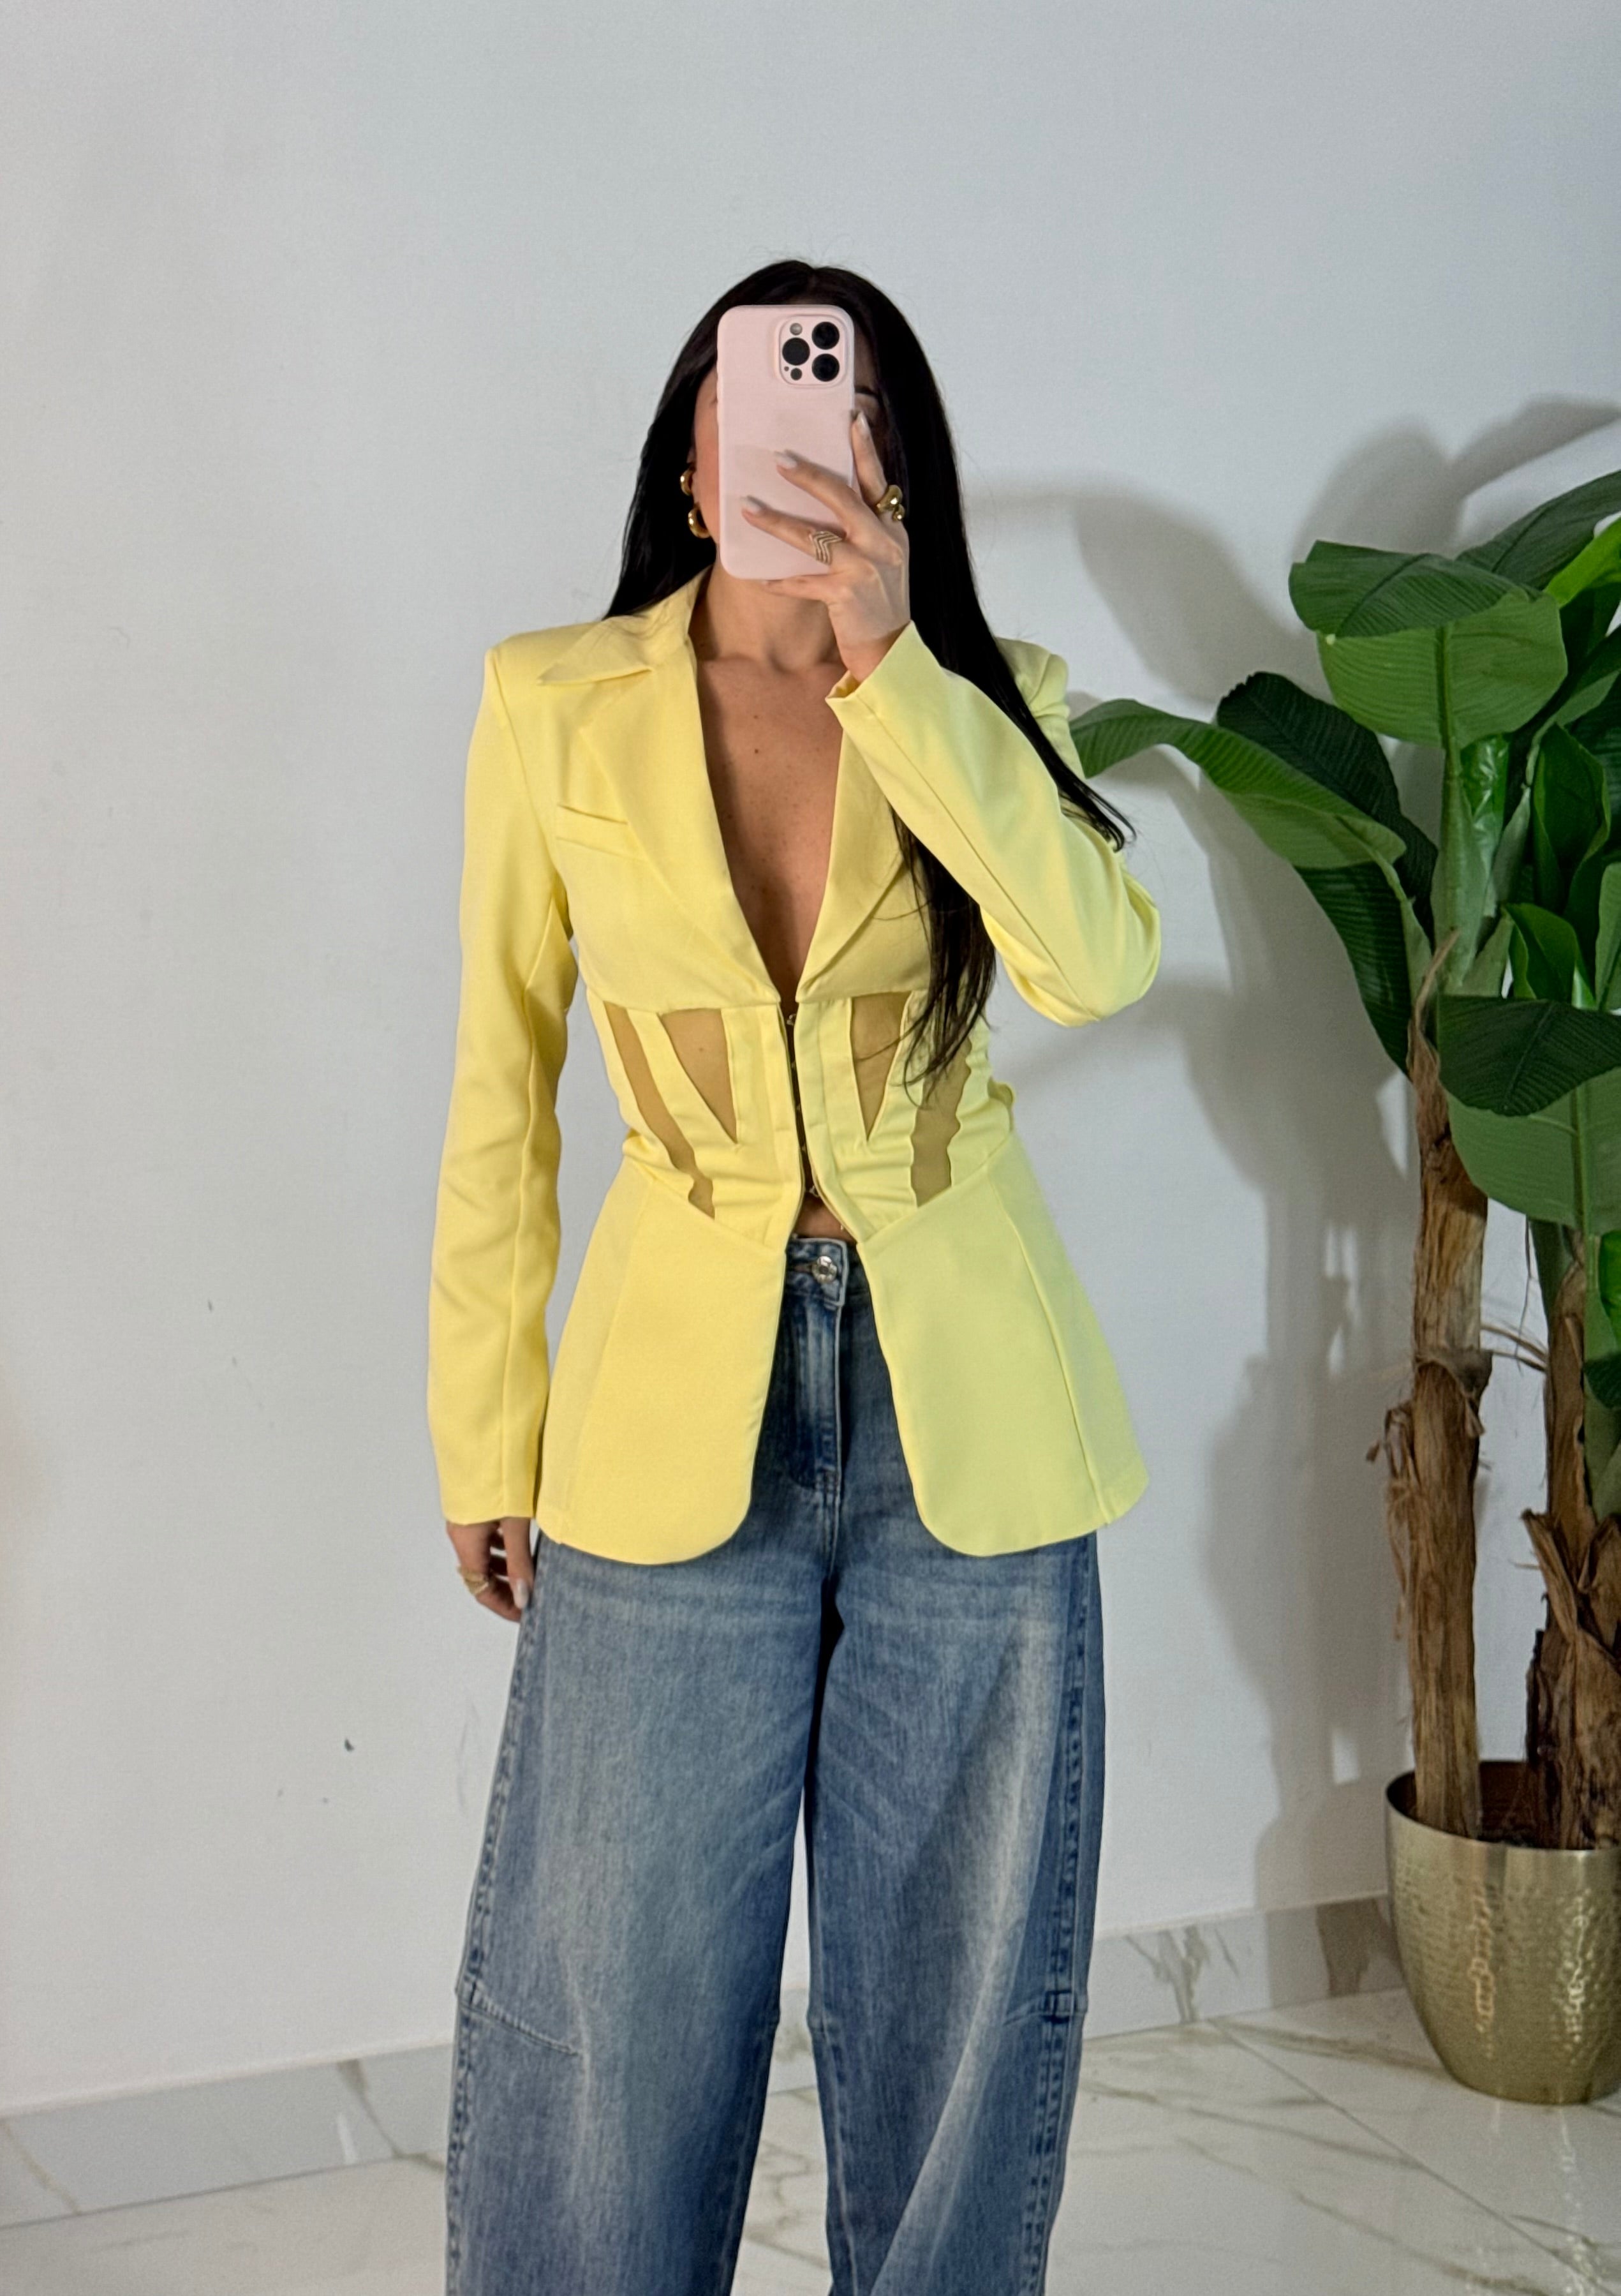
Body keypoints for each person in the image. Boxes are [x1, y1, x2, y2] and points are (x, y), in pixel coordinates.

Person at [427, 259, 1161, 2296]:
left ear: (895, 471)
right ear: (689, 462)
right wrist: (485, 1430)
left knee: (958, 2020)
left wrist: (893, 665)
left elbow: (1099, 966)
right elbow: (500, 1093)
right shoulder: (550, 702)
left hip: (971, 1418)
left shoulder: (984, 697)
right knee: (614, 2008)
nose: (800, 446)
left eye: (856, 418)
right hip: (670, 1410)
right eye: (753, 408)